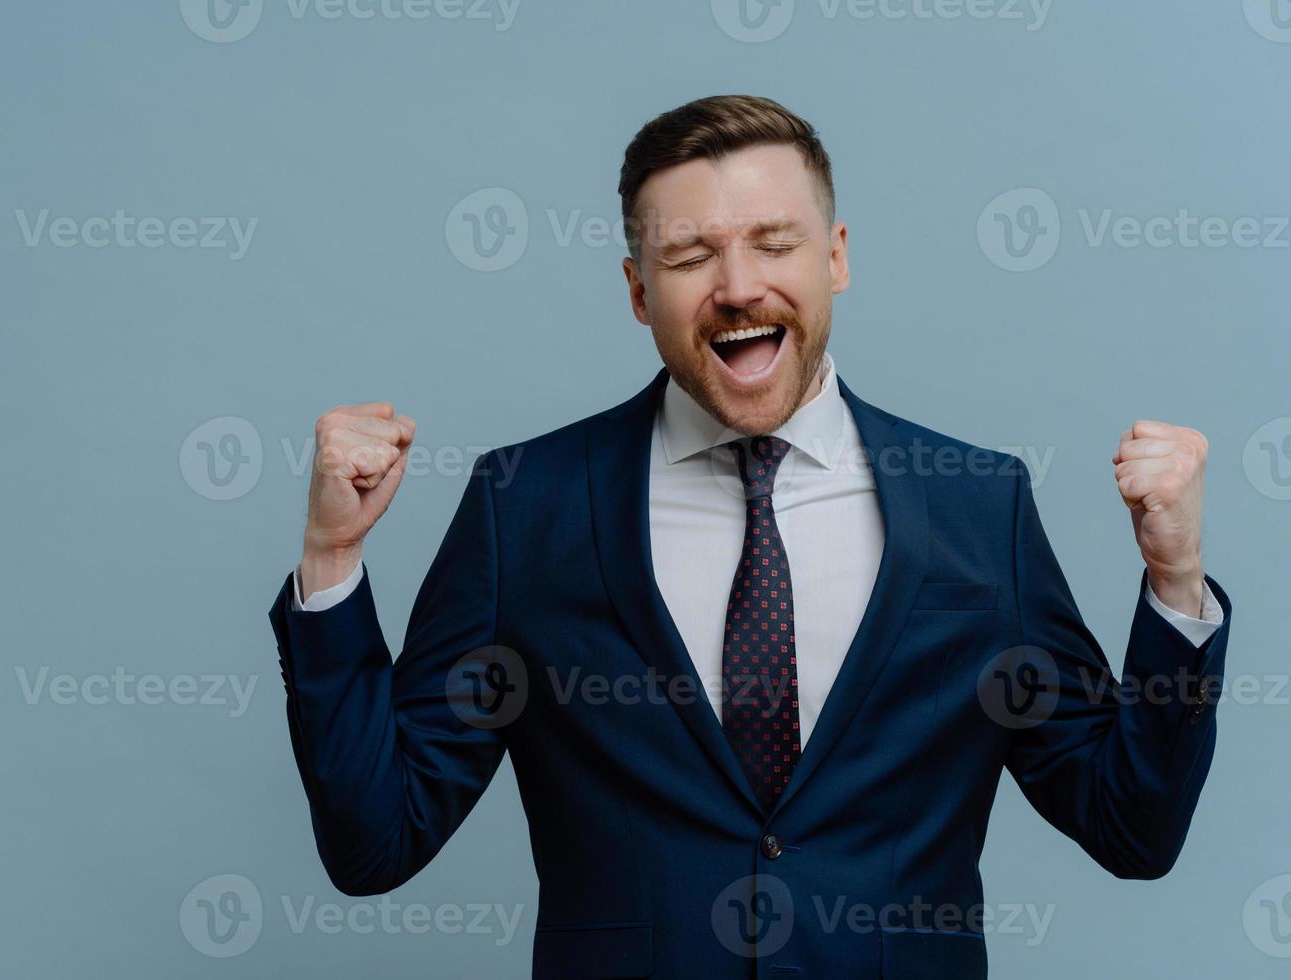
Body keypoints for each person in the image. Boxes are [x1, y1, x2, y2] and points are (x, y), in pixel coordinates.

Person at [267, 94, 1230, 979]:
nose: (737, 287)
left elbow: (1129, 829)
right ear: (639, 290)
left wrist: (1175, 580)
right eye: (690, 256)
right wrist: (333, 564)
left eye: (773, 243)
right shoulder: (526, 505)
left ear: (836, 257)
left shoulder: (980, 505)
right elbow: (375, 841)